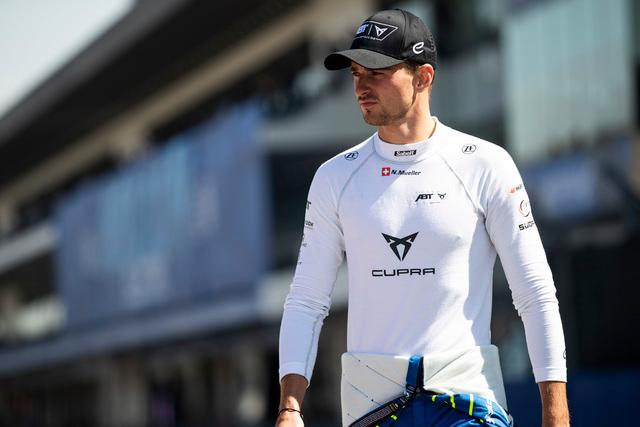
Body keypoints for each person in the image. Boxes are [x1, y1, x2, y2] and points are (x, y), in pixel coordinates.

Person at [277, 8, 569, 427]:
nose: (361, 85)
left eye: (377, 72)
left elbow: (535, 294)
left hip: (467, 406)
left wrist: (556, 415)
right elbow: (306, 299)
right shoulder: (334, 178)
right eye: (356, 73)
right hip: (373, 409)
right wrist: (290, 406)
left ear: (423, 77)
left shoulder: (486, 165)